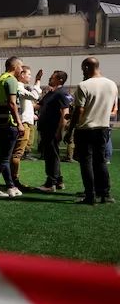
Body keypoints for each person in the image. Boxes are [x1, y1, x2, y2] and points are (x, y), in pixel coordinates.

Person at [67, 57, 118, 204]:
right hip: (103, 129)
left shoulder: (83, 85)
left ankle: (90, 195)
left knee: (86, 163)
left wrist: (70, 130)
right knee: (100, 161)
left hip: (85, 130)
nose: (83, 72)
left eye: (83, 69)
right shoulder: (112, 85)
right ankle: (105, 194)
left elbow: (79, 111)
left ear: (87, 67)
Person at [0, 56, 24, 198]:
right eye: (21, 67)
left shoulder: (0, 79)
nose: (22, 69)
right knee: (4, 157)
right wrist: (19, 123)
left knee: (4, 156)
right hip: (8, 123)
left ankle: (11, 187)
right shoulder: (11, 80)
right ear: (15, 67)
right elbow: (12, 104)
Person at [36, 70, 72, 193]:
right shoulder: (51, 93)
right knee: (52, 155)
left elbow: (65, 114)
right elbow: (38, 106)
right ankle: (59, 181)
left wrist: (59, 131)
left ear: (59, 80)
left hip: (52, 130)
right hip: (45, 129)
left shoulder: (61, 94)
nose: (49, 79)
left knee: (52, 156)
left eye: (52, 78)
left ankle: (51, 183)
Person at [10, 66, 42, 190]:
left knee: (16, 153)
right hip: (23, 124)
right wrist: (38, 81)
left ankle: (12, 179)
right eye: (28, 74)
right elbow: (34, 96)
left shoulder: (21, 87)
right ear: (21, 75)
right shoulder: (18, 86)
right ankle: (14, 180)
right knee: (17, 154)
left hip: (25, 123)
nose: (30, 76)